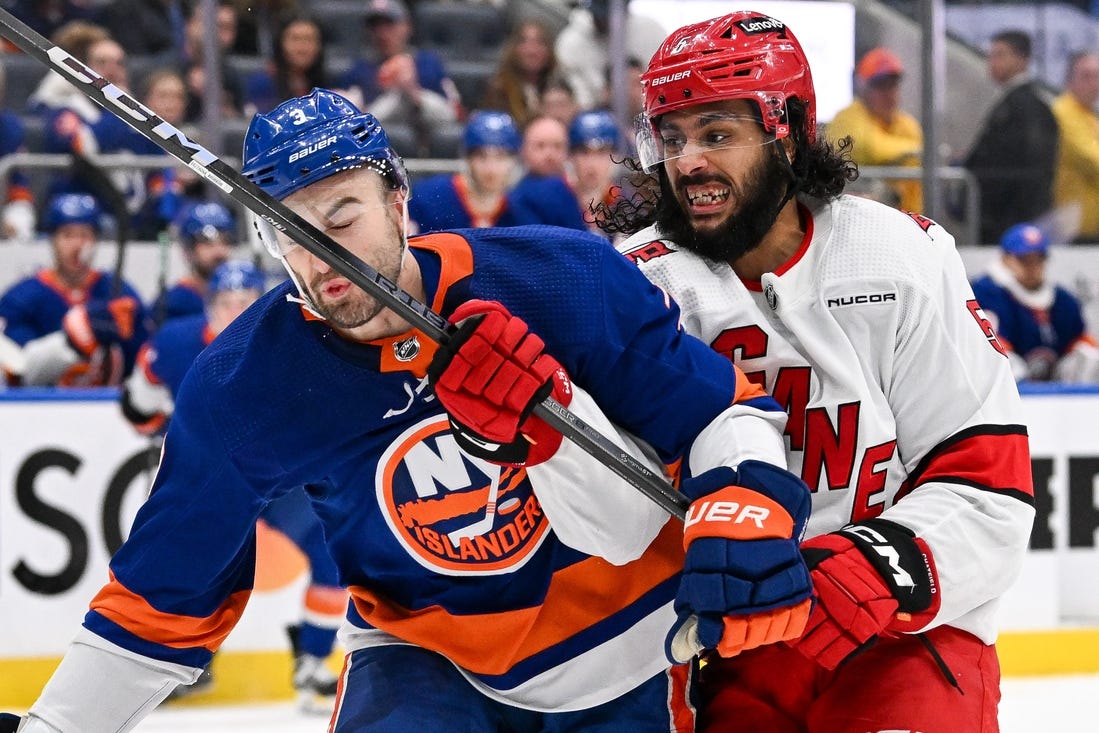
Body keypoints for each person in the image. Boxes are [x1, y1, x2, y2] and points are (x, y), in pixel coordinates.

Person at [3, 88, 816, 732]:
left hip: (629, 644)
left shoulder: (558, 279)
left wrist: (741, 495)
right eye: (290, 233)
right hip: (424, 655)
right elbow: (160, 595)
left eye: (342, 215)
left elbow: (717, 414)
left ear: (398, 200)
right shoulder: (243, 385)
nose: (321, 254)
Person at [599, 12, 1035, 731]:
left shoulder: (897, 255)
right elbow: (603, 508)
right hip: (725, 648)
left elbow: (986, 481)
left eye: (716, 134)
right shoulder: (639, 284)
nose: (687, 163)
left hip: (900, 632)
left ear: (791, 132)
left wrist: (872, 569)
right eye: (671, 139)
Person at [120, 260, 346, 709]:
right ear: (209, 307)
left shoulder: (297, 339)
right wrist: (162, 428)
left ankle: (313, 661)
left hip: (282, 478)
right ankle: (175, 660)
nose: (237, 312)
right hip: (212, 479)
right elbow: (139, 407)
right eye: (227, 303)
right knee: (190, 568)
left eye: (247, 302)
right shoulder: (175, 342)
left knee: (332, 555)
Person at [0, 192, 147, 387]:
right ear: (52, 240)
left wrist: (131, 339)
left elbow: (143, 361)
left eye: (84, 235)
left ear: (96, 240)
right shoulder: (21, 298)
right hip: (42, 403)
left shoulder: (119, 292)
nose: (77, 245)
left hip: (107, 402)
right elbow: (18, 369)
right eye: (67, 235)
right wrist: (74, 336)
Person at [962, 30, 1058, 246]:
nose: (993, 62)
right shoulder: (1017, 103)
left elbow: (1021, 167)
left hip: (1010, 220)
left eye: (1001, 55)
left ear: (1023, 59)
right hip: (1008, 218)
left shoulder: (1026, 108)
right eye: (991, 55)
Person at [971, 223, 1099, 382]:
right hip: (1009, 385)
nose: (1032, 267)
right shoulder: (986, 293)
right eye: (1024, 260)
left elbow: (1080, 341)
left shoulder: (1062, 299)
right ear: (1005, 259)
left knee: (1090, 357)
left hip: (1056, 383)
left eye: (1038, 259)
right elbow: (990, 348)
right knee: (1005, 362)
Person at [336, 0, 459, 156]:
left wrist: (413, 92)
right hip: (377, 154)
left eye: (389, 24)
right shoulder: (359, 71)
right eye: (375, 26)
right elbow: (356, 128)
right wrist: (395, 94)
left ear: (407, 26)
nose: (382, 33)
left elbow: (452, 116)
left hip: (428, 153)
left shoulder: (429, 65)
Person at [826, 46, 923, 213]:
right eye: (881, 86)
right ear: (863, 88)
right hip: (853, 216)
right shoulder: (848, 117)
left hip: (907, 216)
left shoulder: (907, 125)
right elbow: (867, 148)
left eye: (893, 85)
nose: (889, 94)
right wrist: (913, 149)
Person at [408, 110, 534, 232]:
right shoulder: (429, 198)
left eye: (501, 157)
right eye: (481, 156)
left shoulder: (521, 213)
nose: (491, 168)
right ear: (467, 159)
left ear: (514, 160)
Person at [149, 200, 239, 325]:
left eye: (226, 241)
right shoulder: (172, 303)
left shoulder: (242, 298)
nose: (219, 251)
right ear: (188, 250)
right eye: (207, 243)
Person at [1052, 51, 1099, 244]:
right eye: (1086, 76)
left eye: (1097, 76)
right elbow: (1092, 159)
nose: (1094, 83)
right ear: (1069, 80)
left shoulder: (1089, 115)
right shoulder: (1063, 114)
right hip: (1074, 222)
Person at [508, 115, 587, 230]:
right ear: (523, 149)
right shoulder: (516, 199)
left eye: (557, 146)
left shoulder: (577, 190)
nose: (550, 154)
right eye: (540, 146)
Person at [243, 14, 329, 116]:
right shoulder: (262, 82)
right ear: (280, 43)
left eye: (309, 39)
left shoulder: (328, 84)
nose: (302, 47)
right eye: (295, 39)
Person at [480, 19, 559, 128]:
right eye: (524, 42)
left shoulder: (559, 87)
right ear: (513, 49)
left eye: (540, 43)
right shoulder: (499, 90)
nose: (532, 51)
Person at [567, 109, 624, 237]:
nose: (592, 163)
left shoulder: (626, 205)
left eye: (601, 152)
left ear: (615, 156)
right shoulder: (554, 203)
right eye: (584, 152)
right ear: (571, 157)